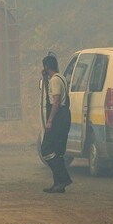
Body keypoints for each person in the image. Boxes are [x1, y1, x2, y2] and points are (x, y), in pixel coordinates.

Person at [40, 53, 72, 193]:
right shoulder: (60, 78)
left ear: (46, 67)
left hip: (58, 116)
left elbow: (56, 101)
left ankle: (64, 178)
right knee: (58, 151)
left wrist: (50, 120)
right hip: (64, 115)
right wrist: (44, 78)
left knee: (46, 148)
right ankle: (58, 184)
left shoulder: (55, 80)